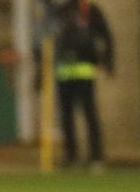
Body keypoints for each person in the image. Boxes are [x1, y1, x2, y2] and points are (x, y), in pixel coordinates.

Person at [53, 0, 114, 169]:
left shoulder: (91, 11)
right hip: (64, 73)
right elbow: (52, 38)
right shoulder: (62, 11)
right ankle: (71, 156)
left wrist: (108, 62)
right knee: (66, 117)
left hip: (84, 73)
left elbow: (106, 36)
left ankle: (96, 156)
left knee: (90, 114)